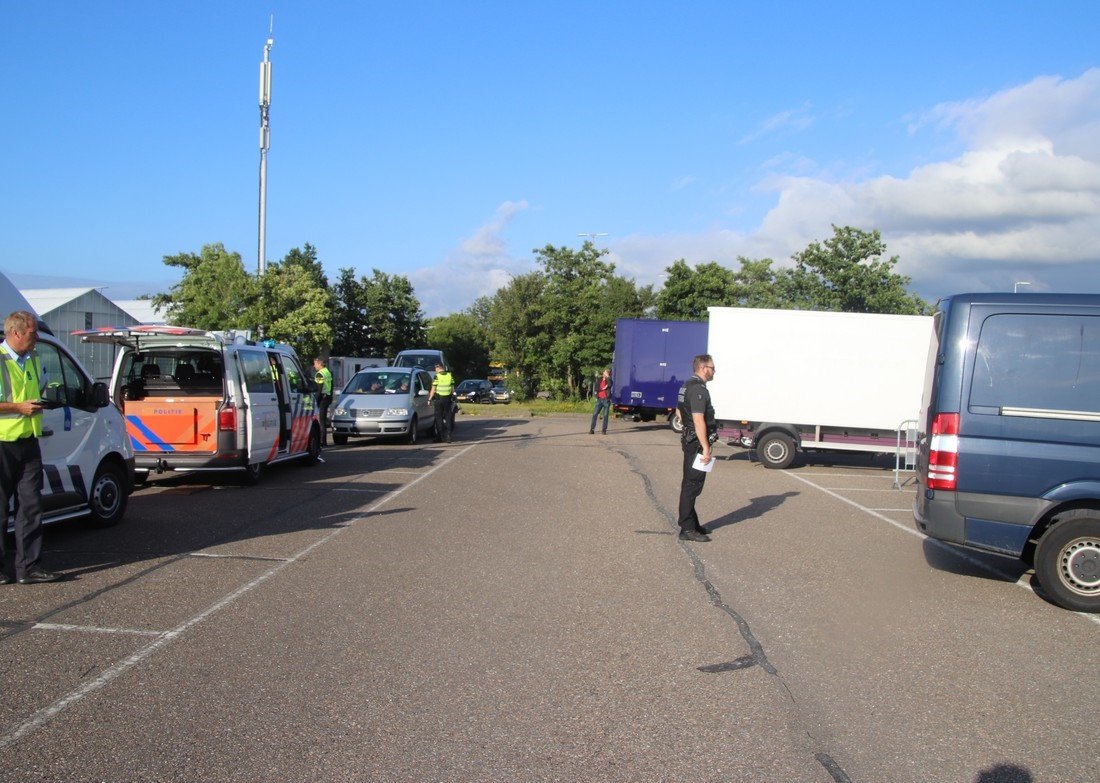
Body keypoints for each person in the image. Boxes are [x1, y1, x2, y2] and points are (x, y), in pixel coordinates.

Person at [0, 311, 60, 584]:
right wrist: (18, 408)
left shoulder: (34, 359)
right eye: (32, 333)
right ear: (15, 333)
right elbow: (14, 403)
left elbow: (42, 386)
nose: (36, 338)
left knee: (31, 505)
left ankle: (29, 567)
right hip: (3, 443)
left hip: (29, 440)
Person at [675, 354, 717, 542]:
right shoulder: (699, 389)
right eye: (712, 368)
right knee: (692, 484)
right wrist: (706, 447)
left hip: (690, 439)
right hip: (696, 442)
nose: (714, 371)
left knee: (691, 482)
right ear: (703, 368)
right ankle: (686, 528)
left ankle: (692, 523)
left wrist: (687, 427)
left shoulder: (686, 386)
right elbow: (699, 419)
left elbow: (678, 411)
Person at [427, 363, 456, 442]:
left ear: (438, 368)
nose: (435, 370)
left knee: (438, 417)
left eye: (435, 368)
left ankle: (440, 436)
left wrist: (429, 399)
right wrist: (453, 396)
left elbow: (433, 389)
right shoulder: (450, 375)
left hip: (439, 399)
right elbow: (453, 389)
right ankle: (449, 435)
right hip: (447, 399)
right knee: (448, 416)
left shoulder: (437, 376)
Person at [313, 358, 333, 446]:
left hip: (322, 398)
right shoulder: (327, 372)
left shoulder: (320, 374)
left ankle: (322, 441)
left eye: (315, 364)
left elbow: (319, 390)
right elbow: (331, 386)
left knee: (321, 421)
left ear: (319, 364)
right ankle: (324, 440)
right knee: (323, 420)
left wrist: (315, 401)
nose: (314, 366)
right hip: (328, 397)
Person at [589, 368, 612, 434]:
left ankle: (604, 430)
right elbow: (596, 388)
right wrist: (603, 388)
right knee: (595, 414)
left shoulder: (610, 380)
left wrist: (608, 377)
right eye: (603, 372)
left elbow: (609, 385)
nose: (603, 373)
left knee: (605, 416)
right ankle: (592, 429)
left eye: (605, 372)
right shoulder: (599, 379)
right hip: (599, 399)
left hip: (606, 400)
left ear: (607, 373)